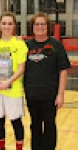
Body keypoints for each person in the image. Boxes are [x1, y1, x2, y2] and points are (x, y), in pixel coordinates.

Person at [23, 13, 70, 150]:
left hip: (50, 95)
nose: (40, 27)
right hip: (31, 95)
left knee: (49, 126)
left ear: (47, 26)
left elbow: (63, 71)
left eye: (43, 24)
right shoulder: (26, 46)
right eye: (37, 24)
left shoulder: (56, 45)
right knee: (35, 126)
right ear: (32, 27)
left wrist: (60, 94)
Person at [0, 12, 28, 150]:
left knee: (16, 122)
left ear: (14, 25)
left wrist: (8, 82)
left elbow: (21, 69)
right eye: (4, 23)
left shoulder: (19, 44)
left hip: (13, 90)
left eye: (10, 23)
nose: (6, 26)